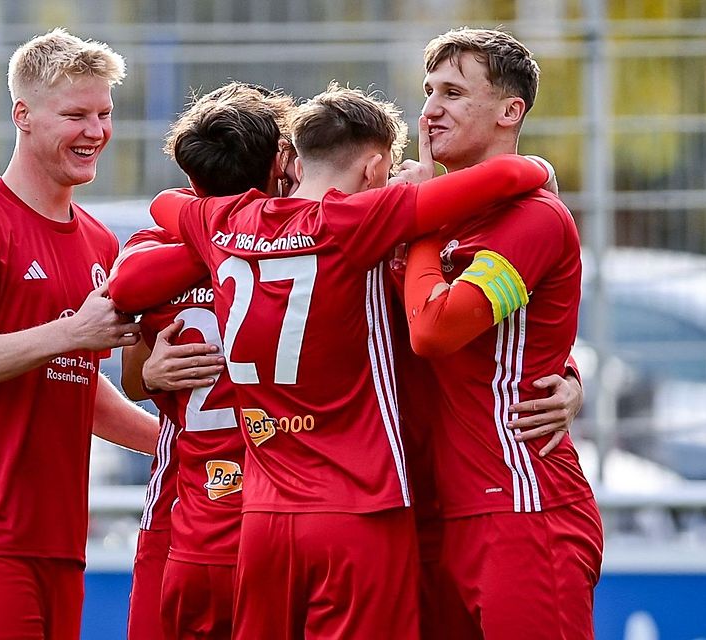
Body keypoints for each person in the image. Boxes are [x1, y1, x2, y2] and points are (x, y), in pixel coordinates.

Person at [148, 82, 555, 639]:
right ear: (374, 168)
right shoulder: (360, 219)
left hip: (263, 519)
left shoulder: (227, 221)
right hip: (358, 509)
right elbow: (511, 176)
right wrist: (535, 167)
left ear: (294, 158)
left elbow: (165, 206)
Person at [0, 28, 159, 640]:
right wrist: (69, 331)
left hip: (59, 535)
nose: (95, 131)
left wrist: (174, 443)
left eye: (104, 113)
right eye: (75, 114)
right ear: (22, 115)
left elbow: (79, 384)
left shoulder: (101, 242)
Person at [401, 27, 604, 639]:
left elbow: (434, 330)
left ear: (509, 111)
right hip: (425, 514)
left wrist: (420, 222)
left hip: (520, 508)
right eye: (429, 91)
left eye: (455, 94)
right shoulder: (415, 207)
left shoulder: (532, 217)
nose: (431, 110)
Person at [110, 82, 298, 640]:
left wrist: (145, 374)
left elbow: (133, 374)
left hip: (193, 511)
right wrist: (148, 374)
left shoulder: (151, 250)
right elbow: (136, 381)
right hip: (277, 499)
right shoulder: (308, 247)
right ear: (280, 164)